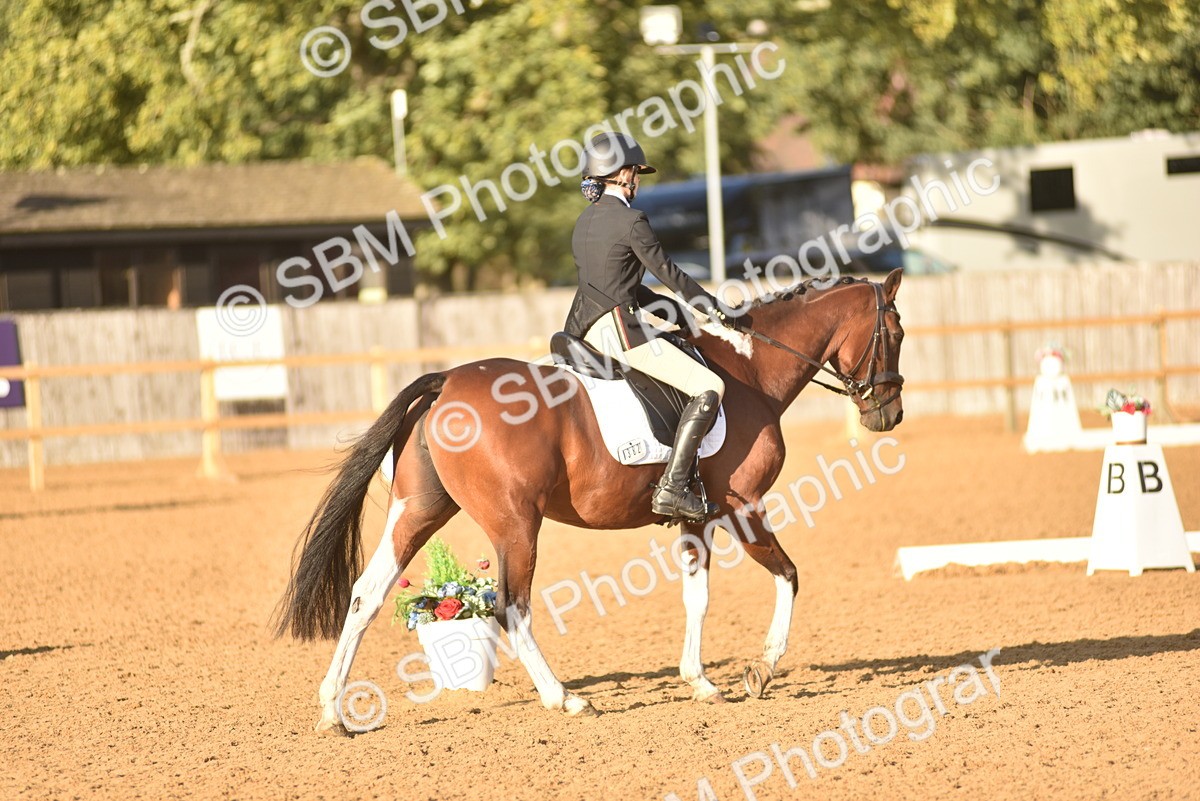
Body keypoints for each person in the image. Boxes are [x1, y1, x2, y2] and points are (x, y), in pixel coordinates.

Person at [563, 131, 739, 523]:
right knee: (711, 386)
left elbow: (624, 285)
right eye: (636, 172)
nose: (638, 180)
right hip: (618, 331)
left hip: (582, 330)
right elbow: (670, 273)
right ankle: (673, 489)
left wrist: (678, 315)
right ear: (624, 174)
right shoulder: (631, 220)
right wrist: (716, 310)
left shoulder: (584, 221)